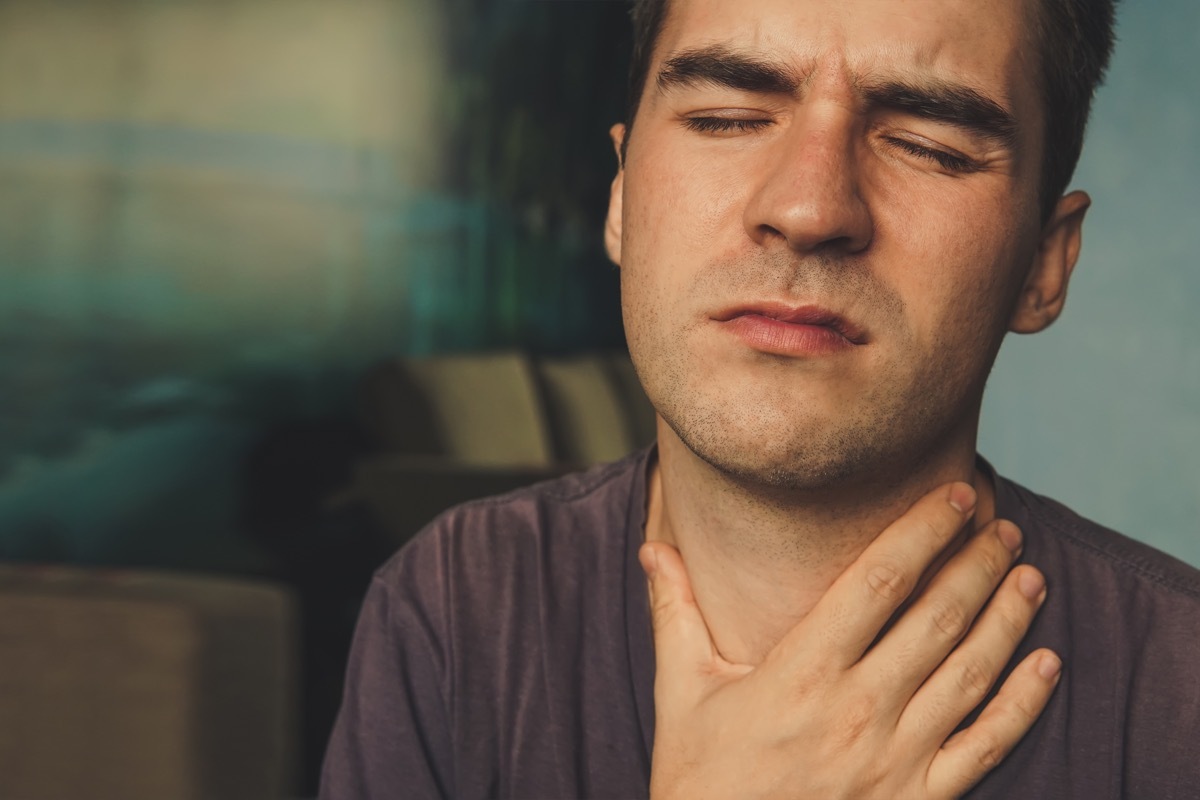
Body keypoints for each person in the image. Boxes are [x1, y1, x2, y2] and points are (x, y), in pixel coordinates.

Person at [320, 0, 1200, 797]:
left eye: (928, 146)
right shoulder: (455, 609)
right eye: (725, 118)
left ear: (1044, 263)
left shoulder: (1180, 691)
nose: (810, 205)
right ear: (623, 197)